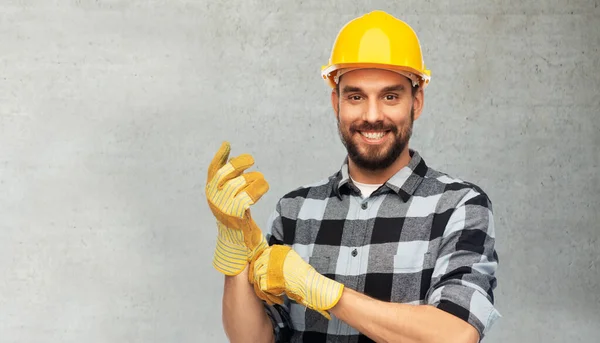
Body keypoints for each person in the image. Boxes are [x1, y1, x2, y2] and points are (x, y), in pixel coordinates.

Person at [205, 10, 500, 343]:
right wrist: (234, 256)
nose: (372, 116)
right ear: (336, 103)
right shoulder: (295, 210)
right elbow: (252, 340)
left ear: (416, 102)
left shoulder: (459, 206)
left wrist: (326, 293)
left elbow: (456, 335)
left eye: (390, 96)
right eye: (356, 97)